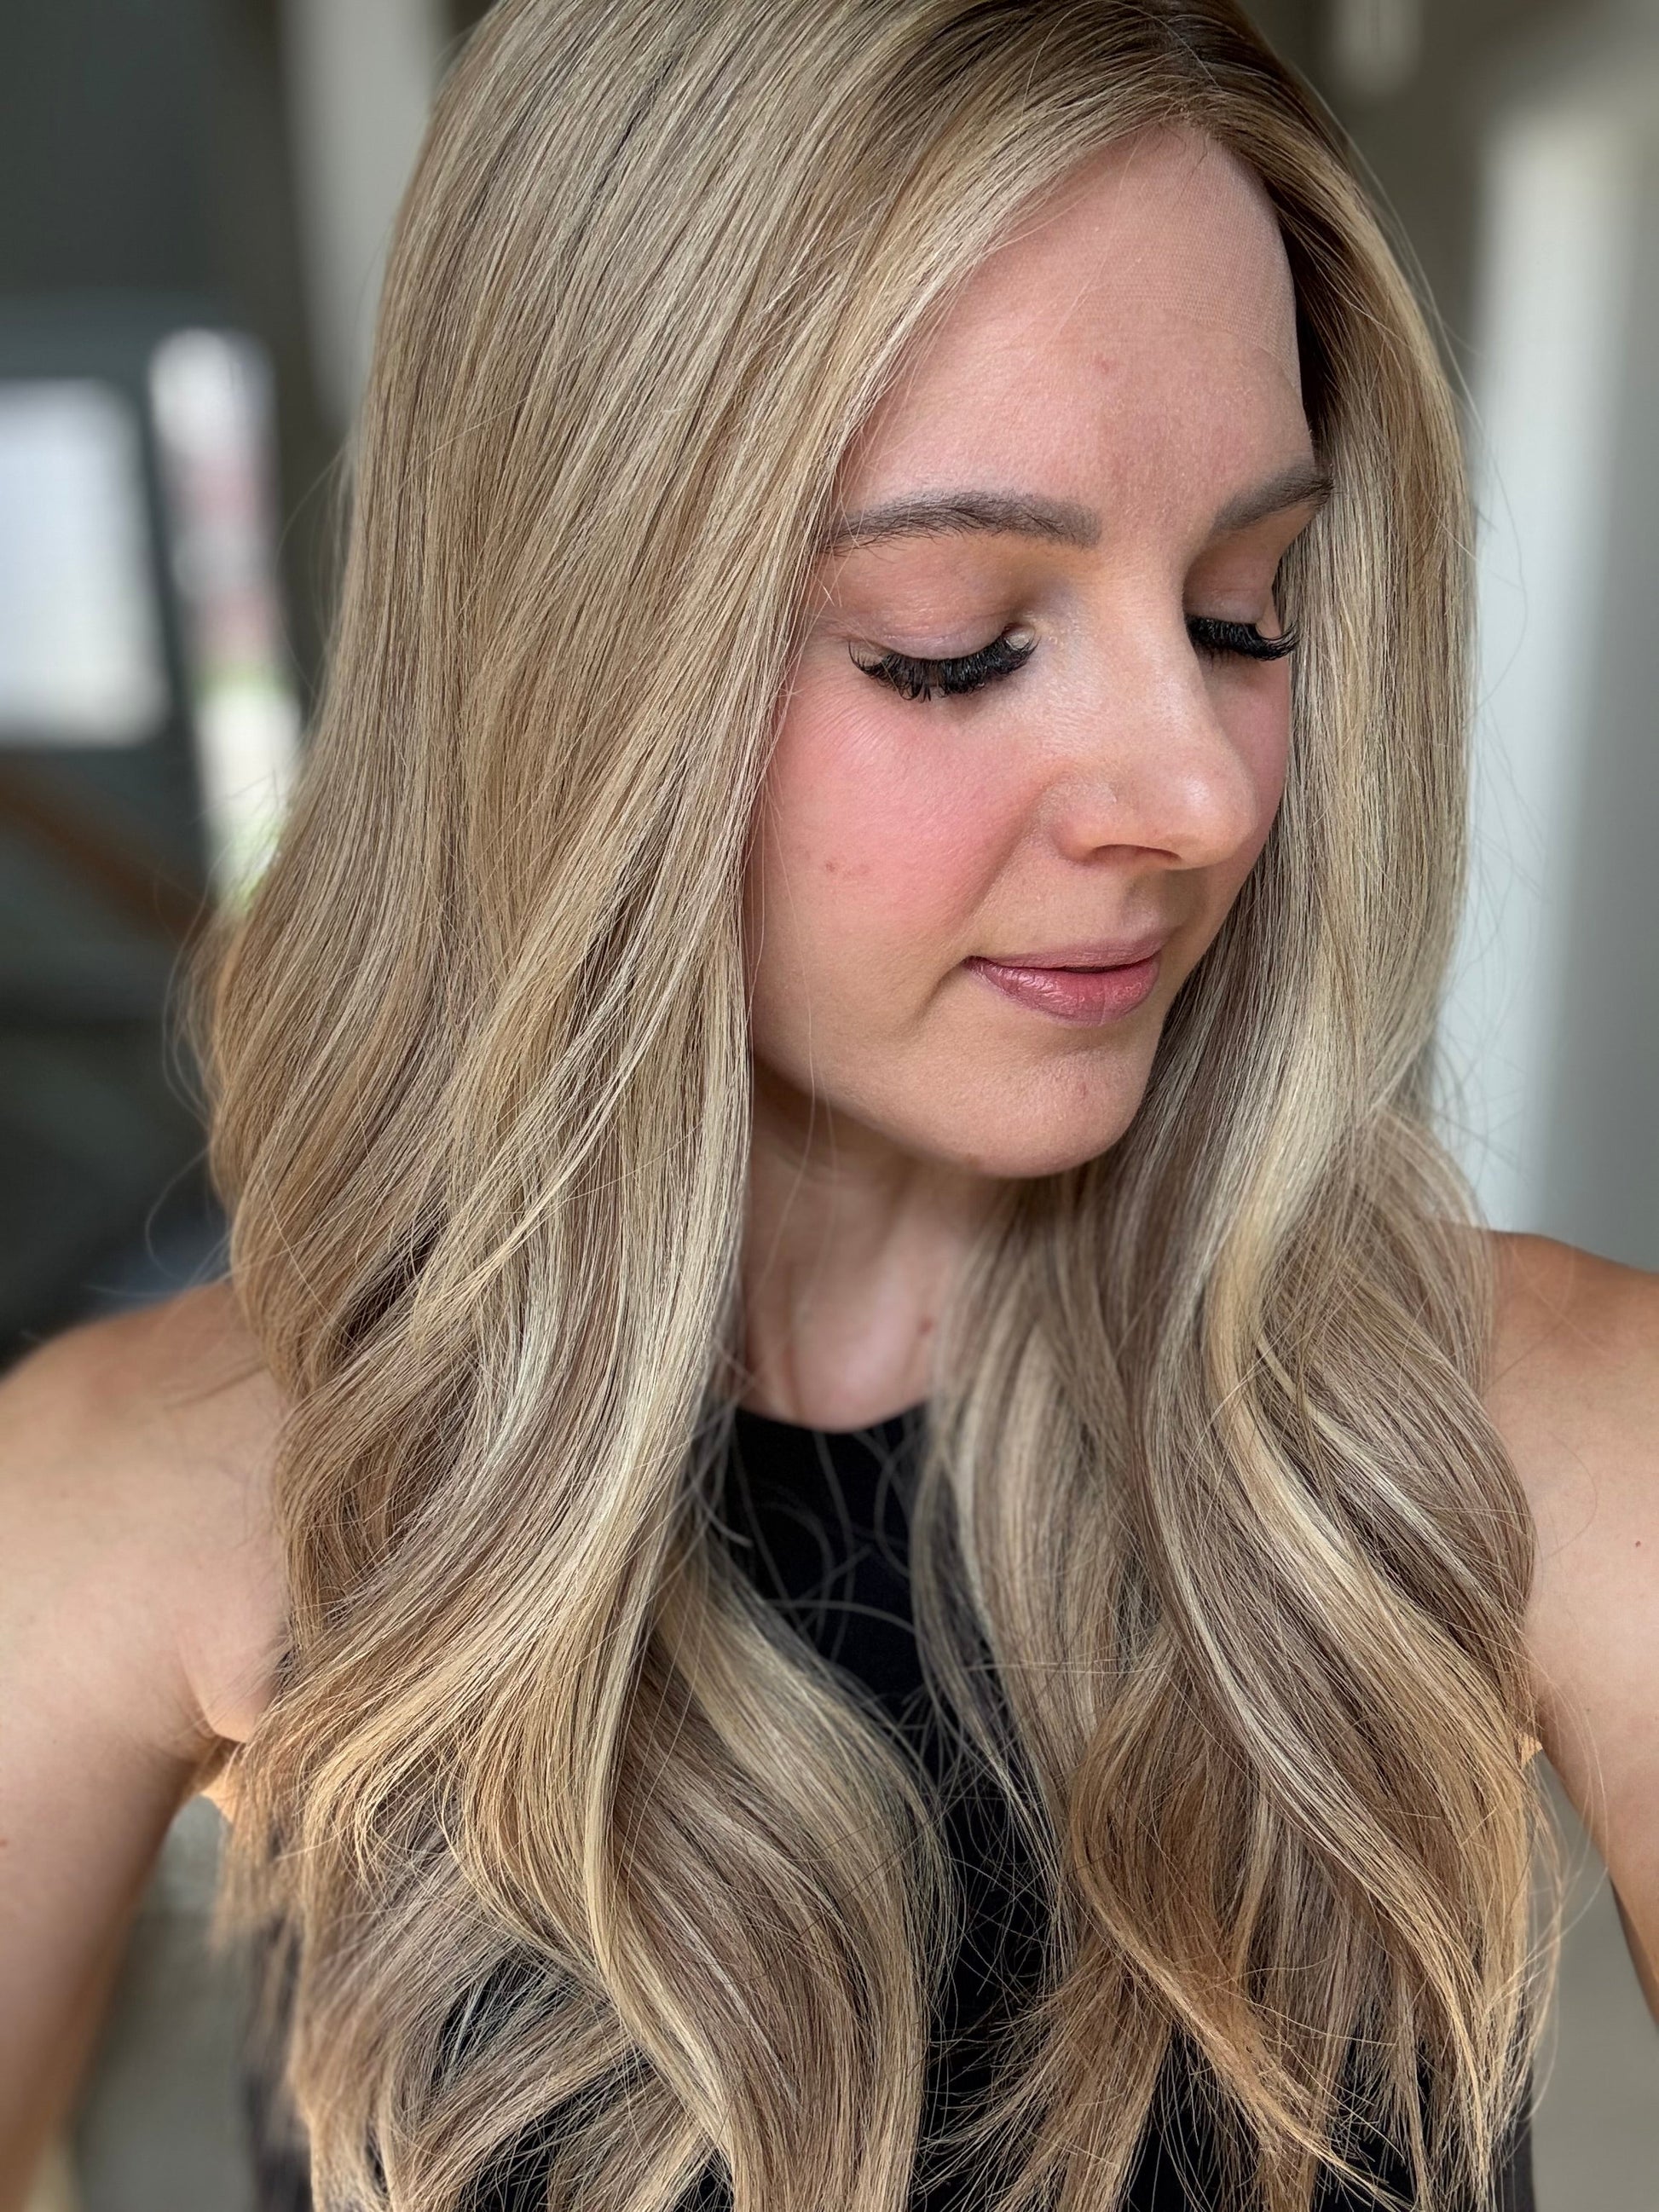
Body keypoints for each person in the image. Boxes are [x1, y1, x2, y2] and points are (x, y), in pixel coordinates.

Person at [2, 3, 1656, 2209]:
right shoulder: (161, 1496)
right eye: (954, 642)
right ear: (572, 658)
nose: (1195, 793)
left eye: (1242, 611)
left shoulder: (1545, 1440)